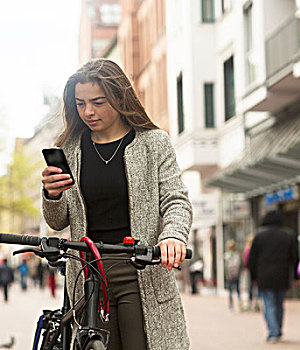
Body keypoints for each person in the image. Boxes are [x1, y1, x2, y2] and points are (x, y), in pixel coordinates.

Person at [41, 59, 193, 350]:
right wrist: (52, 194)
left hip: (142, 271)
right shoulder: (70, 149)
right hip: (88, 274)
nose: (88, 112)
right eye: (81, 103)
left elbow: (176, 199)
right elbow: (58, 221)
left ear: (120, 97)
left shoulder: (153, 143)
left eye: (98, 102)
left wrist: (173, 236)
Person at [248, 209, 299, 343]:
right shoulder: (288, 235)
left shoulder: (259, 236)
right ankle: (278, 330)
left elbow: (252, 260)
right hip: (282, 275)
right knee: (279, 304)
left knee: (269, 304)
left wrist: (253, 277)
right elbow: (295, 258)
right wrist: (296, 276)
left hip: (263, 276)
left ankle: (273, 332)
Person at [242, 234, 260, 312]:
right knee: (257, 287)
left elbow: (245, 261)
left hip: (249, 270)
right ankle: (256, 303)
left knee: (250, 287)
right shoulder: (257, 249)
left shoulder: (247, 250)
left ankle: (250, 303)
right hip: (257, 270)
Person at [224, 240, 241, 310]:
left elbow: (225, 266)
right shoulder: (236, 255)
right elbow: (239, 265)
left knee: (230, 291)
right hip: (236, 274)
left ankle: (231, 306)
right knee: (237, 290)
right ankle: (240, 304)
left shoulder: (226, 255)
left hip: (229, 275)